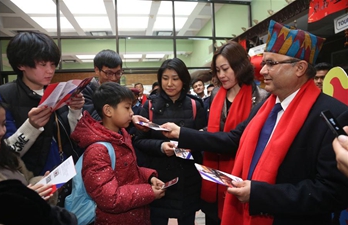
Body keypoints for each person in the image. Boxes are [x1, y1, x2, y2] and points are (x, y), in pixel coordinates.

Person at [161, 20, 348, 225]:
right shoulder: (266, 106)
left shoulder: (332, 114)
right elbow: (234, 139)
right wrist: (181, 133)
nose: (263, 71)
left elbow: (331, 193)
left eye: (271, 63)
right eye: (264, 62)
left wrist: (260, 193)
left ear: (300, 68)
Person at [71, 82, 165, 225]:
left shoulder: (122, 136)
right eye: (127, 108)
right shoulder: (97, 150)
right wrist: (149, 192)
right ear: (108, 111)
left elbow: (127, 171)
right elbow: (110, 198)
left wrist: (149, 177)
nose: (132, 113)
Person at [198, 40, 268, 225]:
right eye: (217, 70)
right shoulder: (215, 94)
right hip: (214, 171)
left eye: (225, 69)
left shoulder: (260, 97)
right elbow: (217, 128)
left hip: (243, 172)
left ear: (239, 66)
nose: (221, 75)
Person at [0, 31, 84, 177]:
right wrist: (32, 126)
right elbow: (6, 152)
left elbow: (74, 137)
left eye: (52, 64)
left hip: (63, 174)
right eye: (42, 64)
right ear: (21, 64)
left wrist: (75, 110)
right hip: (29, 180)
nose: (50, 71)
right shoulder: (4, 96)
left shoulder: (57, 92)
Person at [133, 58, 206, 225]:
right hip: (158, 177)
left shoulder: (195, 106)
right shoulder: (149, 106)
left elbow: (203, 140)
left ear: (184, 80)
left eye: (175, 78)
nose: (169, 83)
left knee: (187, 219)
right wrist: (160, 146)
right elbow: (139, 141)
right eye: (165, 78)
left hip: (188, 176)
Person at [0, 100, 56, 203]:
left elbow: (28, 180)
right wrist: (23, 200)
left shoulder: (7, 156)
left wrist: (43, 183)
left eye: (4, 124)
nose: (2, 132)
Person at [82, 49, 123, 121]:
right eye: (109, 73)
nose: (114, 78)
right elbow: (94, 119)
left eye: (118, 73)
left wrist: (132, 118)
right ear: (97, 70)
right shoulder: (87, 90)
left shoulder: (121, 92)